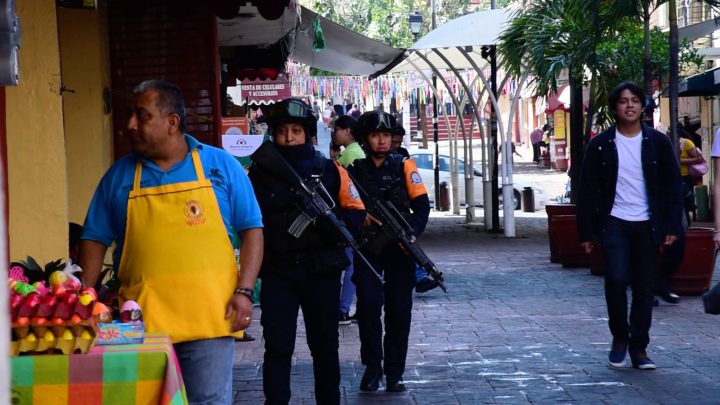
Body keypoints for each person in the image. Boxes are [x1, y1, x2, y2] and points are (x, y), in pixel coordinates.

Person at [79, 79, 264, 404]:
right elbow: (94, 238)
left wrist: (245, 291)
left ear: (172, 122)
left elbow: (252, 231)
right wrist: (85, 296)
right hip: (139, 323)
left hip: (210, 318)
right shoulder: (119, 176)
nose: (130, 125)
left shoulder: (220, 166)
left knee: (206, 401)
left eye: (141, 116)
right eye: (130, 115)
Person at [249, 98, 366, 404]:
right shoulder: (258, 175)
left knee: (325, 345)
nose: (289, 138)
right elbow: (248, 221)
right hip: (279, 270)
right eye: (283, 131)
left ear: (308, 133)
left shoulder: (330, 170)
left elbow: (355, 213)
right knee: (278, 345)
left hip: (321, 271)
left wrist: (329, 223)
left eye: (296, 131)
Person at [577, 81, 682, 371]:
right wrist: (586, 232)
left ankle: (639, 348)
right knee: (617, 279)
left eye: (635, 100)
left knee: (645, 287)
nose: (630, 105)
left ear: (642, 106)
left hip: (648, 224)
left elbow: (673, 185)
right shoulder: (600, 145)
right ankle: (620, 338)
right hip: (614, 222)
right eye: (623, 101)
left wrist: (673, 224)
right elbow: (586, 190)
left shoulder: (657, 142)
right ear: (615, 108)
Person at [348, 111, 430, 393]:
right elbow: (343, 209)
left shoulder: (405, 165)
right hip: (368, 249)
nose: (382, 141)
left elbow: (422, 206)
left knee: (399, 311)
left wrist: (412, 233)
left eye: (386, 135)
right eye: (375, 135)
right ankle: (373, 369)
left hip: (399, 249)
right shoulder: (353, 172)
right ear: (364, 139)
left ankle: (395, 372)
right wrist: (362, 219)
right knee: (369, 307)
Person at [388, 129, 438, 294]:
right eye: (392, 141)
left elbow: (422, 204)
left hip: (400, 217)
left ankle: (419, 275)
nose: (395, 146)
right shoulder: (362, 162)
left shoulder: (403, 161)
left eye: (398, 142)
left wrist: (415, 230)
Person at [331, 115, 365, 325]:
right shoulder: (351, 153)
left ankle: (342, 308)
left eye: (337, 129)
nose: (334, 133)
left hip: (349, 217)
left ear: (347, 131)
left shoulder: (351, 154)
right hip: (350, 216)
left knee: (349, 264)